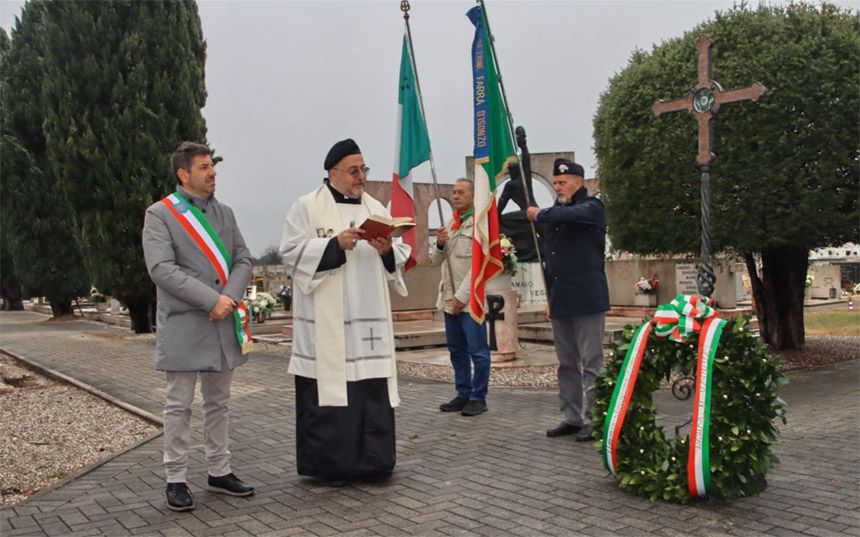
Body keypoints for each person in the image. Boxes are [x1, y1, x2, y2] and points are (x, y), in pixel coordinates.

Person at [279, 138, 410, 485]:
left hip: (368, 327)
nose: (361, 177)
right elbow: (290, 254)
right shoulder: (306, 207)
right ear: (332, 172)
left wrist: (385, 250)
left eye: (364, 169)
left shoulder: (375, 208)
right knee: (332, 394)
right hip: (327, 326)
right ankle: (331, 467)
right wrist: (333, 245)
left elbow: (398, 256)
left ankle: (374, 463)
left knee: (368, 391)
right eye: (354, 171)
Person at [142, 141, 255, 512]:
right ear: (183, 174)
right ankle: (175, 478)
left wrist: (231, 299)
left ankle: (219, 470)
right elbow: (162, 269)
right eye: (204, 167)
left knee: (219, 403)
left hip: (222, 325)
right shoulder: (160, 215)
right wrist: (213, 300)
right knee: (179, 405)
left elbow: (242, 258)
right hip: (186, 325)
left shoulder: (225, 213)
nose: (212, 173)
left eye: (213, 167)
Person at [526, 159, 609, 442]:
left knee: (592, 362)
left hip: (587, 298)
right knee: (567, 363)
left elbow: (575, 215)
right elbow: (551, 260)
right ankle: (572, 417)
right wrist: (550, 297)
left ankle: (596, 419)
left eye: (562, 182)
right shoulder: (556, 214)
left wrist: (539, 215)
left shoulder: (592, 207)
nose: (558, 187)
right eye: (556, 183)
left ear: (578, 182)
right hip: (561, 299)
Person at [428, 178, 490, 417]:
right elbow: (435, 260)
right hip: (447, 298)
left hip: (469, 301)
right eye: (453, 192)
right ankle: (462, 392)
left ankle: (478, 396)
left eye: (460, 192)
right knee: (456, 350)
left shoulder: (479, 225)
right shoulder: (450, 224)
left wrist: (461, 297)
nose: (455, 196)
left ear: (473, 196)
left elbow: (478, 266)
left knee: (478, 351)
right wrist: (440, 244)